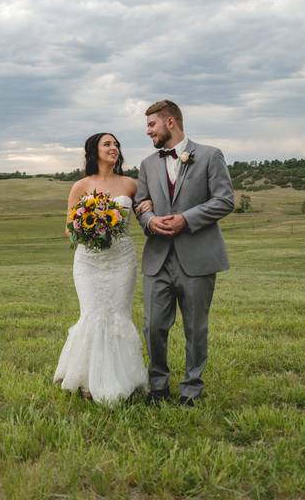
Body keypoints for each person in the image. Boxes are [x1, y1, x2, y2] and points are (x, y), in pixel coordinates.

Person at [133, 100, 233, 406]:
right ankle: (158, 386)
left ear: (171, 122)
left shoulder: (210, 155)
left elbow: (225, 200)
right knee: (153, 326)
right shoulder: (147, 164)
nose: (148, 130)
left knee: (195, 327)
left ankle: (191, 389)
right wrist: (149, 221)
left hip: (198, 258)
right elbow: (141, 205)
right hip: (158, 258)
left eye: (152, 124)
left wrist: (186, 219)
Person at [54, 133, 148, 405]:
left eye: (117, 144)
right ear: (93, 151)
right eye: (107, 144)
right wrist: (91, 225)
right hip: (89, 261)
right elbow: (68, 227)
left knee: (118, 315)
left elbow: (144, 213)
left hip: (122, 259)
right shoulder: (81, 186)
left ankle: (124, 380)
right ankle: (87, 379)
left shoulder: (131, 184)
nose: (114, 148)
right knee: (93, 314)